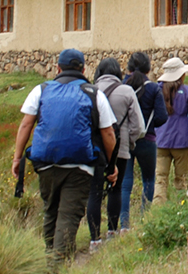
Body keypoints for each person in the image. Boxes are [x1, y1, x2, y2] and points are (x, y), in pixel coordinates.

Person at [12, 49, 117, 262]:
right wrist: (110, 164)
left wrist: (17, 158)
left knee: (50, 210)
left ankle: (50, 257)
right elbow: (108, 133)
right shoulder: (94, 93)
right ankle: (57, 266)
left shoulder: (41, 90)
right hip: (80, 166)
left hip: (45, 163)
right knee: (68, 215)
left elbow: (25, 125)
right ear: (84, 69)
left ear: (57, 68)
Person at [88, 57, 144, 245]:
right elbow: (138, 126)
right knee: (116, 189)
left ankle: (94, 239)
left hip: (95, 150)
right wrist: (129, 142)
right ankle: (112, 231)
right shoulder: (126, 91)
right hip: (119, 149)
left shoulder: (91, 91)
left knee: (94, 193)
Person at [120, 52, 168, 228]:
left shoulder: (122, 86)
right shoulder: (154, 89)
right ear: (148, 69)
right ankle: (144, 220)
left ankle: (123, 224)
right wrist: (149, 124)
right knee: (148, 179)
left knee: (125, 183)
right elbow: (162, 117)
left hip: (125, 140)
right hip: (147, 139)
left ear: (129, 68)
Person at [153, 57, 188, 204]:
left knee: (160, 179)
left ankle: (158, 211)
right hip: (182, 142)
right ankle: (180, 210)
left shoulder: (157, 91)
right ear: (181, 75)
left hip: (161, 140)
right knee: (181, 180)